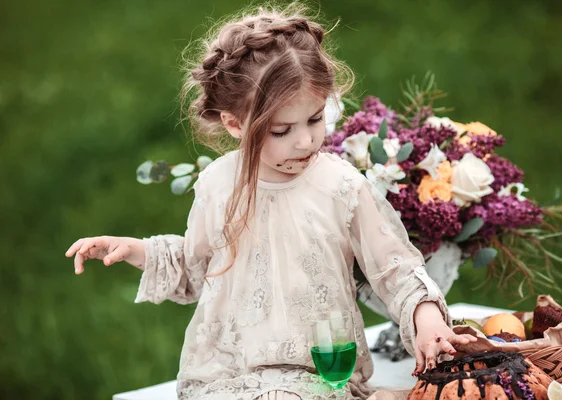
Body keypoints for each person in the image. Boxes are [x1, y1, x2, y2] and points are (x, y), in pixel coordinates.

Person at [65, 4, 476, 399]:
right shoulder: (217, 185)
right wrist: (136, 249)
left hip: (319, 372)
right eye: (282, 130)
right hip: (225, 376)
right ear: (233, 123)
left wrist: (426, 319)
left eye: (315, 119)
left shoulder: (340, 185)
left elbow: (396, 270)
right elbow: (199, 270)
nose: (305, 140)